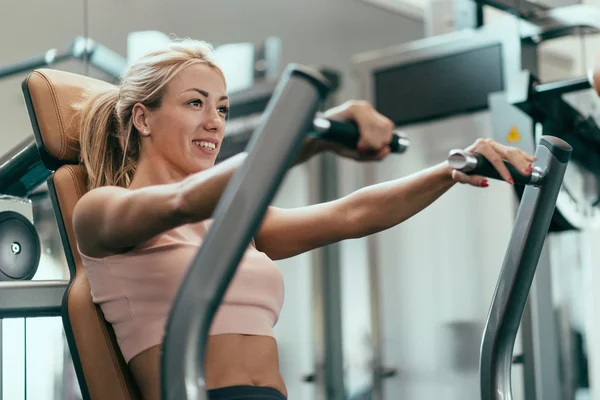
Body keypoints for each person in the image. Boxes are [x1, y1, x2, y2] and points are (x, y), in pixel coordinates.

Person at [72, 39, 536, 400]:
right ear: (142, 119)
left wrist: (449, 170)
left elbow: (351, 214)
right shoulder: (101, 211)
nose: (215, 121)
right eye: (196, 103)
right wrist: (306, 136)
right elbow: (181, 202)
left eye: (222, 108)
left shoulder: (233, 226)